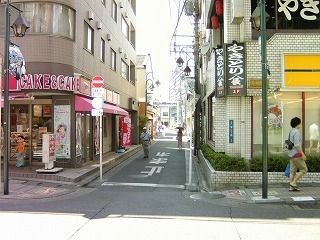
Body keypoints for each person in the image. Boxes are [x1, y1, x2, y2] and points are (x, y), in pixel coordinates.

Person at [287, 117, 308, 191]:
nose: (300, 125)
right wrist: (302, 154)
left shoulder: (291, 132)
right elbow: (297, 145)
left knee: (292, 171)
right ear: (297, 124)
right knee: (304, 169)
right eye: (300, 123)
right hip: (296, 154)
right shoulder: (297, 132)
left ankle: (291, 187)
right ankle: (294, 183)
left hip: (291, 154)